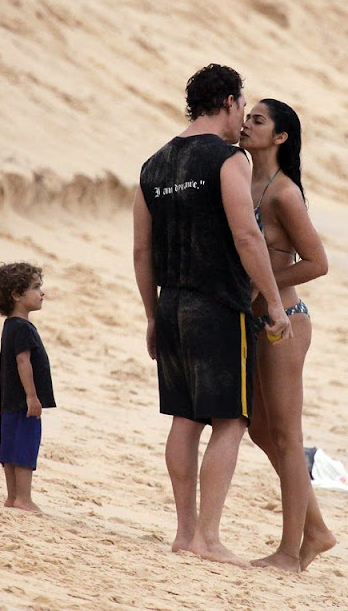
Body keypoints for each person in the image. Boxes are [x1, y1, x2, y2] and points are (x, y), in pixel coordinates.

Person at [133, 64, 292, 568]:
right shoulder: (229, 158)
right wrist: (271, 301)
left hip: (171, 301)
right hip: (217, 305)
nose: (244, 114)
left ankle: (184, 533)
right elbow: (247, 235)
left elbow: (141, 252)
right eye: (242, 104)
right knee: (230, 420)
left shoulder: (153, 164)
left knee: (185, 418)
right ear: (226, 102)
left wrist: (152, 315)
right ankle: (208, 538)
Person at [240, 98, 336, 572]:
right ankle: (316, 530)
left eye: (258, 120)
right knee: (261, 430)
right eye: (247, 116)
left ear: (279, 137)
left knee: (287, 435)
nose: (247, 124)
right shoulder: (243, 176)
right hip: (257, 323)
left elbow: (318, 262)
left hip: (287, 322)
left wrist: (265, 286)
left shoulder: (283, 193)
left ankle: (289, 552)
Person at [0, 262, 56, 512]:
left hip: (8, 400)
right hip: (23, 400)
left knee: (9, 446)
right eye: (36, 288)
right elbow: (22, 361)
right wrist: (32, 396)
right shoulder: (24, 328)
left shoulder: (10, 326)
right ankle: (24, 498)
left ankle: (12, 496)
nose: (42, 293)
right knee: (25, 446)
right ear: (17, 295)